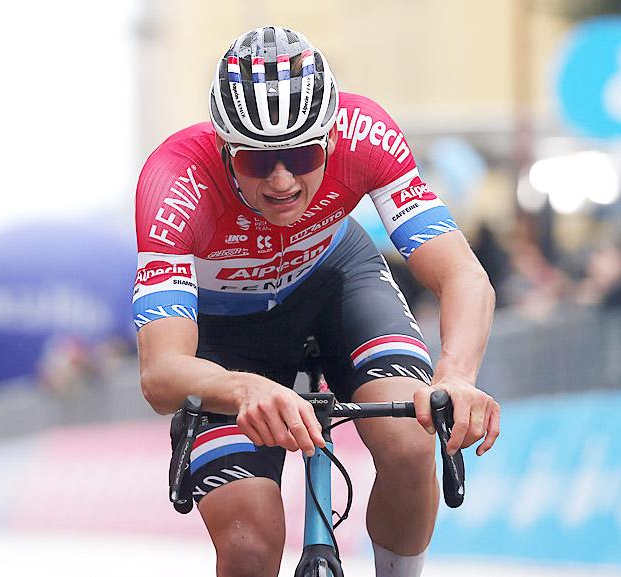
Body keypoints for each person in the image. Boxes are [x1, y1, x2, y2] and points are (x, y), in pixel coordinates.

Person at [134, 26, 500, 577]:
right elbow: (161, 374)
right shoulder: (176, 181)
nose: (282, 180)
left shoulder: (366, 132)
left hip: (335, 282)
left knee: (409, 444)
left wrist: (457, 376)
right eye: (256, 162)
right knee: (249, 544)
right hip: (226, 334)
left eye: (302, 154)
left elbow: (462, 275)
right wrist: (244, 387)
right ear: (224, 149)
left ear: (331, 139)